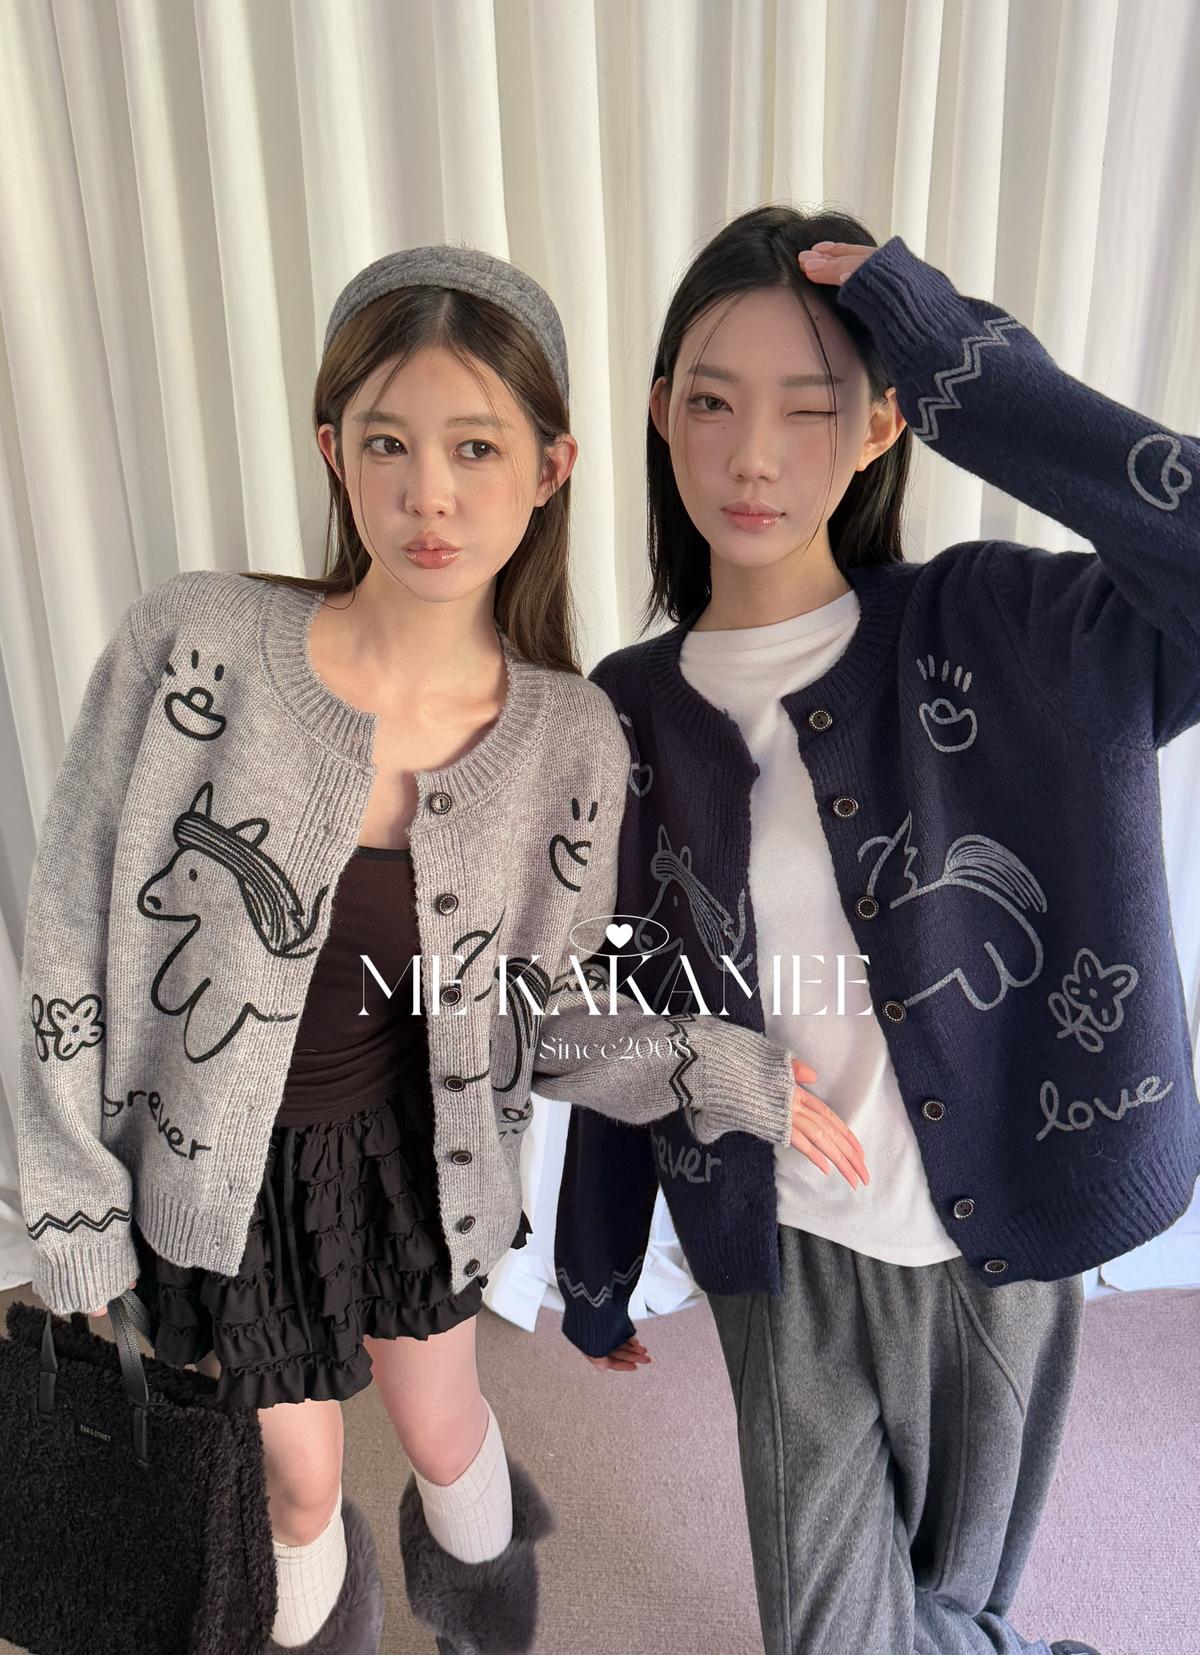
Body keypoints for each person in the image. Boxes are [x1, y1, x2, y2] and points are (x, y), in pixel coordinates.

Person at [15, 244, 864, 1655]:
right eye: (388, 442)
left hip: (417, 1163)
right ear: (331, 448)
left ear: (550, 468)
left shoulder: (566, 737)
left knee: (444, 1425)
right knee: (292, 1483)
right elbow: (69, 931)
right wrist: (72, 1204)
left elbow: (547, 1009)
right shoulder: (197, 646)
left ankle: (485, 1615)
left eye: (476, 447)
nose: (429, 493)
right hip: (221, 1175)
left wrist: (714, 1069)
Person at [554, 203, 1200, 1655]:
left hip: (991, 1251)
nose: (754, 456)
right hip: (776, 1245)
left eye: (811, 406)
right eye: (712, 403)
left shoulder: (1002, 631)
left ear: (884, 424)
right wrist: (596, 1263)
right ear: (660, 415)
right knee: (836, 1637)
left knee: (954, 1608)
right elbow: (619, 1000)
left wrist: (971, 363)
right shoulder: (626, 706)